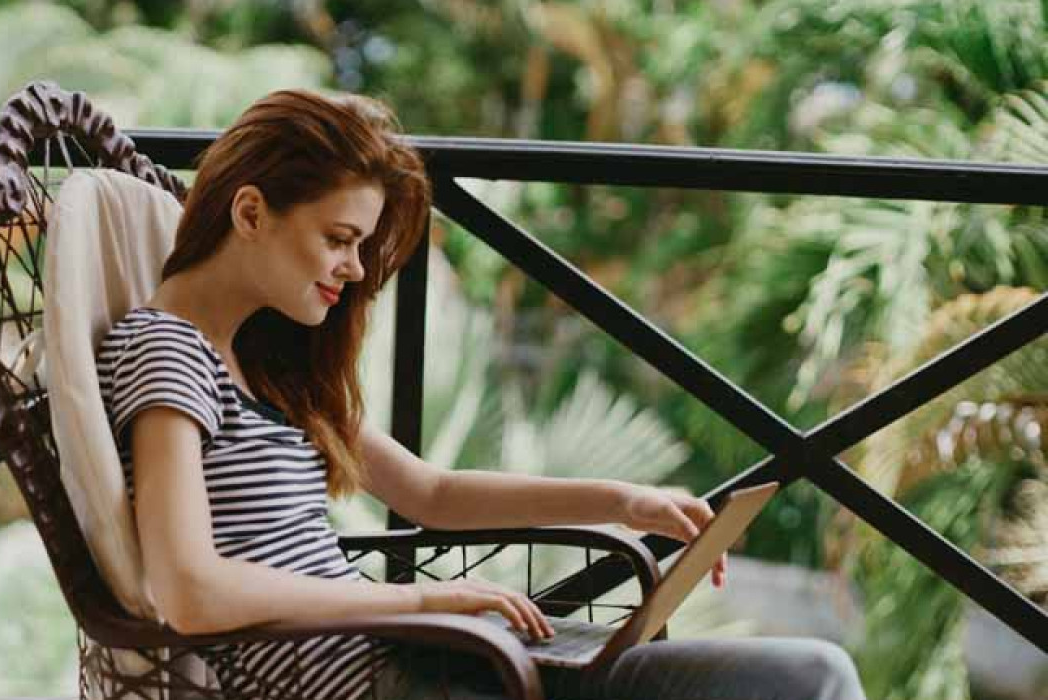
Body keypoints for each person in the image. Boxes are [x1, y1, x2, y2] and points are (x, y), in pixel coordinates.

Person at [95, 88, 866, 700]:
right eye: (339, 239)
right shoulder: (167, 350)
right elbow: (190, 591)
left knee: (813, 676)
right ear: (251, 211)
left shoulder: (264, 363)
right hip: (379, 678)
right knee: (804, 683)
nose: (356, 269)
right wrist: (428, 605)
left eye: (361, 245)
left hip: (424, 662)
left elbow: (431, 492)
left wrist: (621, 502)